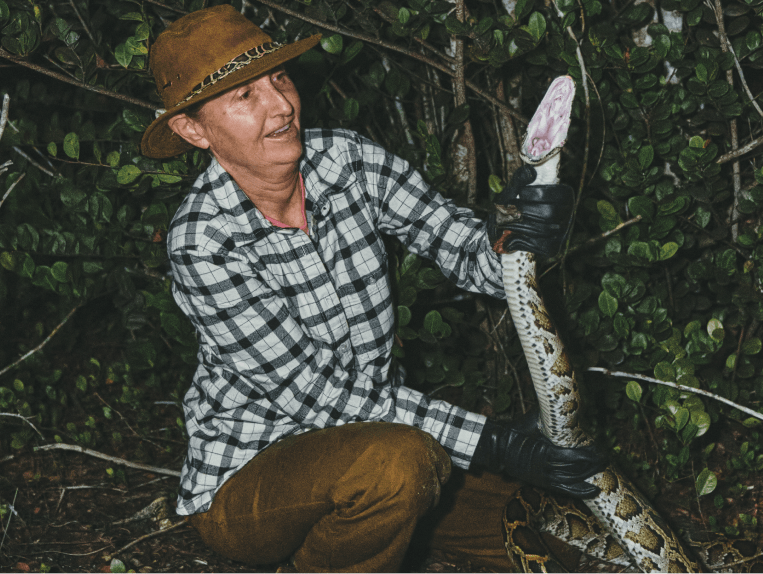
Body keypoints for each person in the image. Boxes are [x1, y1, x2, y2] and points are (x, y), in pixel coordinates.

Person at [140, 5, 605, 572]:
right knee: (399, 466)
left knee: (544, 534)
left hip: (376, 448)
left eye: (279, 78)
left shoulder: (348, 161)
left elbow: (462, 249)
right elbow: (319, 398)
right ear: (193, 129)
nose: (282, 105)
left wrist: (515, 236)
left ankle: (371, 535)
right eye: (244, 96)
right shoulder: (202, 240)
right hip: (248, 478)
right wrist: (496, 444)